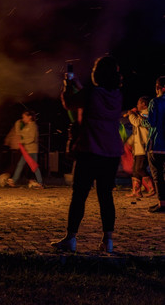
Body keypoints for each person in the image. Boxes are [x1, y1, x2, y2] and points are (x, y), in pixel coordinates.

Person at [52, 56, 123, 252]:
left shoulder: (91, 93)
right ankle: (107, 241)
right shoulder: (117, 95)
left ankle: (71, 238)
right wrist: (77, 84)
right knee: (105, 196)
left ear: (97, 73)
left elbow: (69, 103)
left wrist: (67, 85)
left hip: (90, 150)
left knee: (79, 195)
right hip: (111, 153)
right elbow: (94, 95)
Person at [125, 96, 155, 197]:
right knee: (135, 169)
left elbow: (137, 123)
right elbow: (137, 132)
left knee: (140, 169)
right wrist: (130, 142)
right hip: (138, 147)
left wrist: (131, 115)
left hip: (144, 147)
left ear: (144, 104)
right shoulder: (140, 114)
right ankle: (136, 191)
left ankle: (152, 187)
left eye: (139, 103)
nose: (137, 105)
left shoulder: (147, 113)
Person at [6, 110, 43, 189]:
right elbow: (19, 133)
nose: (23, 119)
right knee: (20, 164)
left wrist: (21, 141)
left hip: (32, 150)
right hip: (26, 150)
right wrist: (17, 124)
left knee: (34, 166)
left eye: (24, 117)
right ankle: (14, 181)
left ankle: (40, 183)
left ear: (30, 117)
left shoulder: (33, 126)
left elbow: (32, 139)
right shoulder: (26, 126)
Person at [145, 76, 165, 213]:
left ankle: (162, 203)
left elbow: (151, 122)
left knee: (158, 176)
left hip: (157, 145)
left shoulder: (155, 102)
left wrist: (140, 119)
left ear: (159, 87)